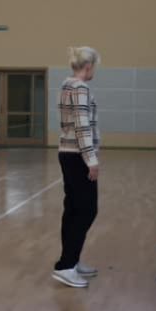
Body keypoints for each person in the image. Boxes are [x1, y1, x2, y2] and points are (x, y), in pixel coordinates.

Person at [52, 46, 101, 289]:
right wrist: (91, 160)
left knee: (73, 209)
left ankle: (70, 260)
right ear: (88, 66)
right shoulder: (80, 87)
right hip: (78, 156)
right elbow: (82, 126)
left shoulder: (66, 85)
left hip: (67, 154)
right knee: (86, 210)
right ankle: (66, 266)